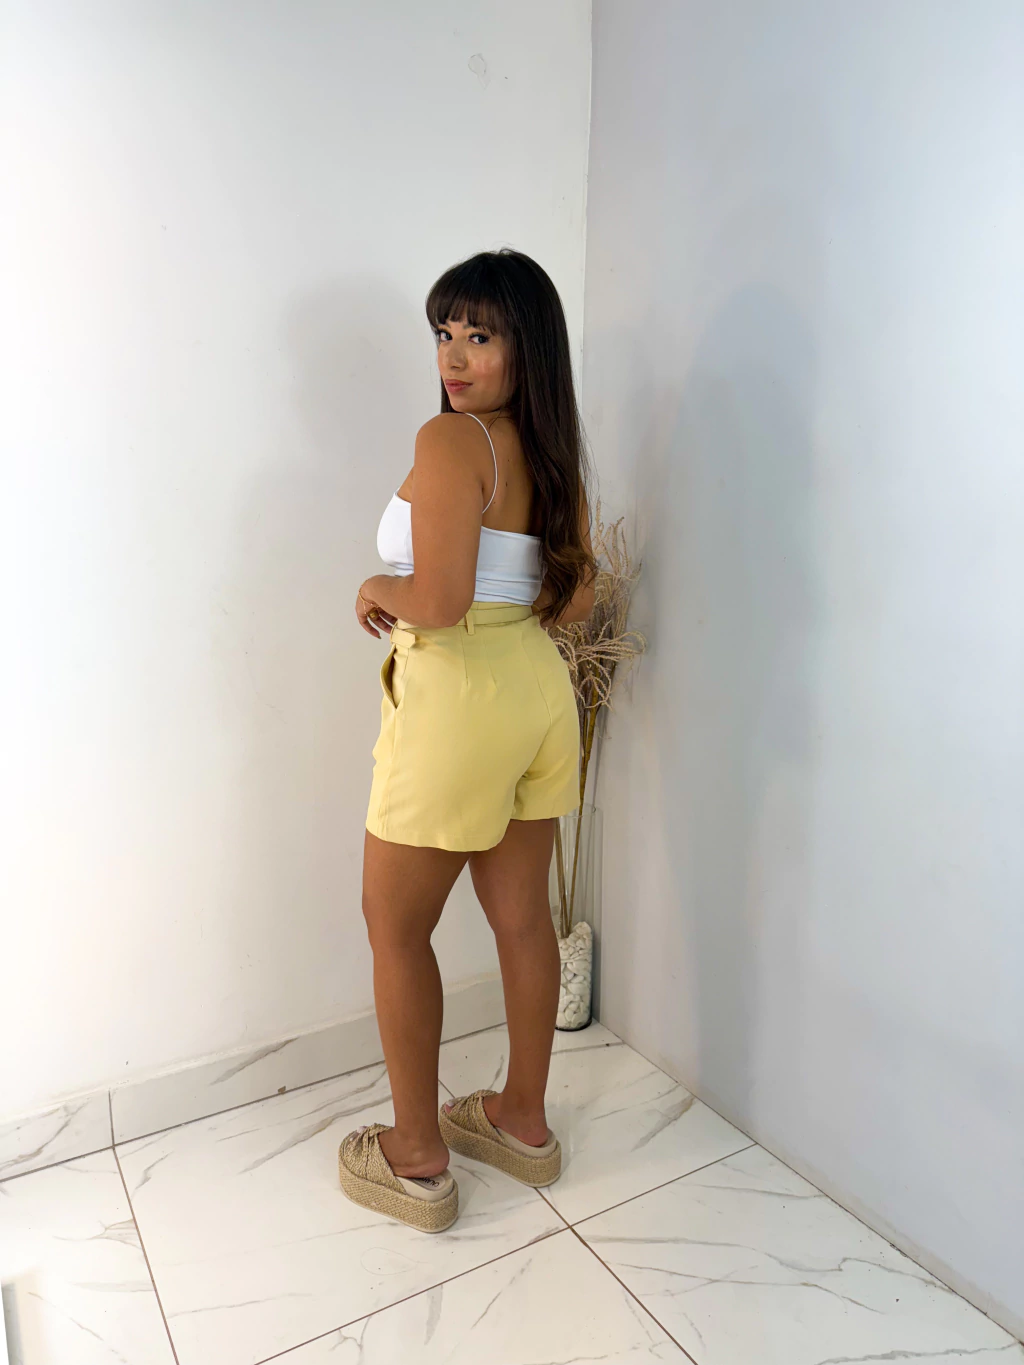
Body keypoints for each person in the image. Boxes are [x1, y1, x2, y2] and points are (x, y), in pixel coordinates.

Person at [337, 249, 597, 1233]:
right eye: (444, 334)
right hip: (536, 686)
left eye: (479, 336)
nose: (452, 357)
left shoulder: (452, 441)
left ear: (526, 348)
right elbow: (569, 595)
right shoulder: (548, 448)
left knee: (394, 925)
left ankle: (415, 1156)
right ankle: (523, 1121)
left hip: (456, 700)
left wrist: (376, 587)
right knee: (521, 917)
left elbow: (439, 600)